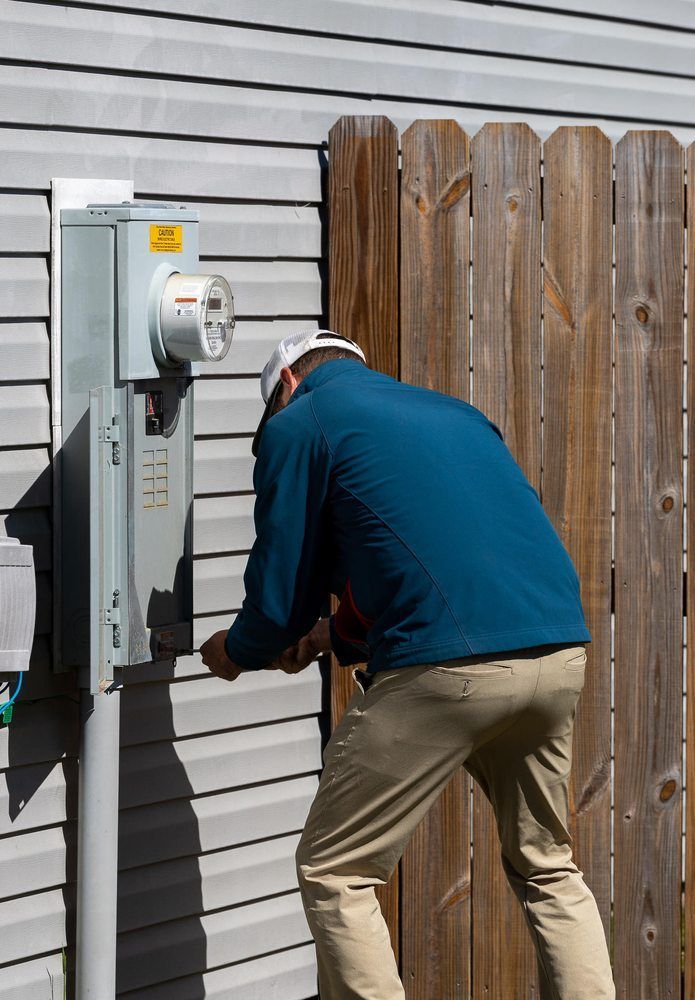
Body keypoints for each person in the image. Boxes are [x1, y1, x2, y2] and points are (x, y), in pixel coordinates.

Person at [200, 329, 615, 1000]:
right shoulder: (453, 414)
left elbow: (280, 594)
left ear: (285, 386)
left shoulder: (301, 422)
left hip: (446, 669)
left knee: (336, 869)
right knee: (546, 864)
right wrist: (328, 636)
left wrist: (239, 651)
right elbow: (426, 557)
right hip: (557, 651)